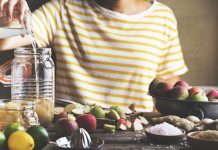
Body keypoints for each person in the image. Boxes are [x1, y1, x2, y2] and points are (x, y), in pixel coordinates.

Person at [0, 0, 188, 112]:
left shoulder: (163, 17)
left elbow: (169, 81)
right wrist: (5, 16)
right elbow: (4, 40)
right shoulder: (62, 9)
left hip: (137, 136)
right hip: (69, 134)